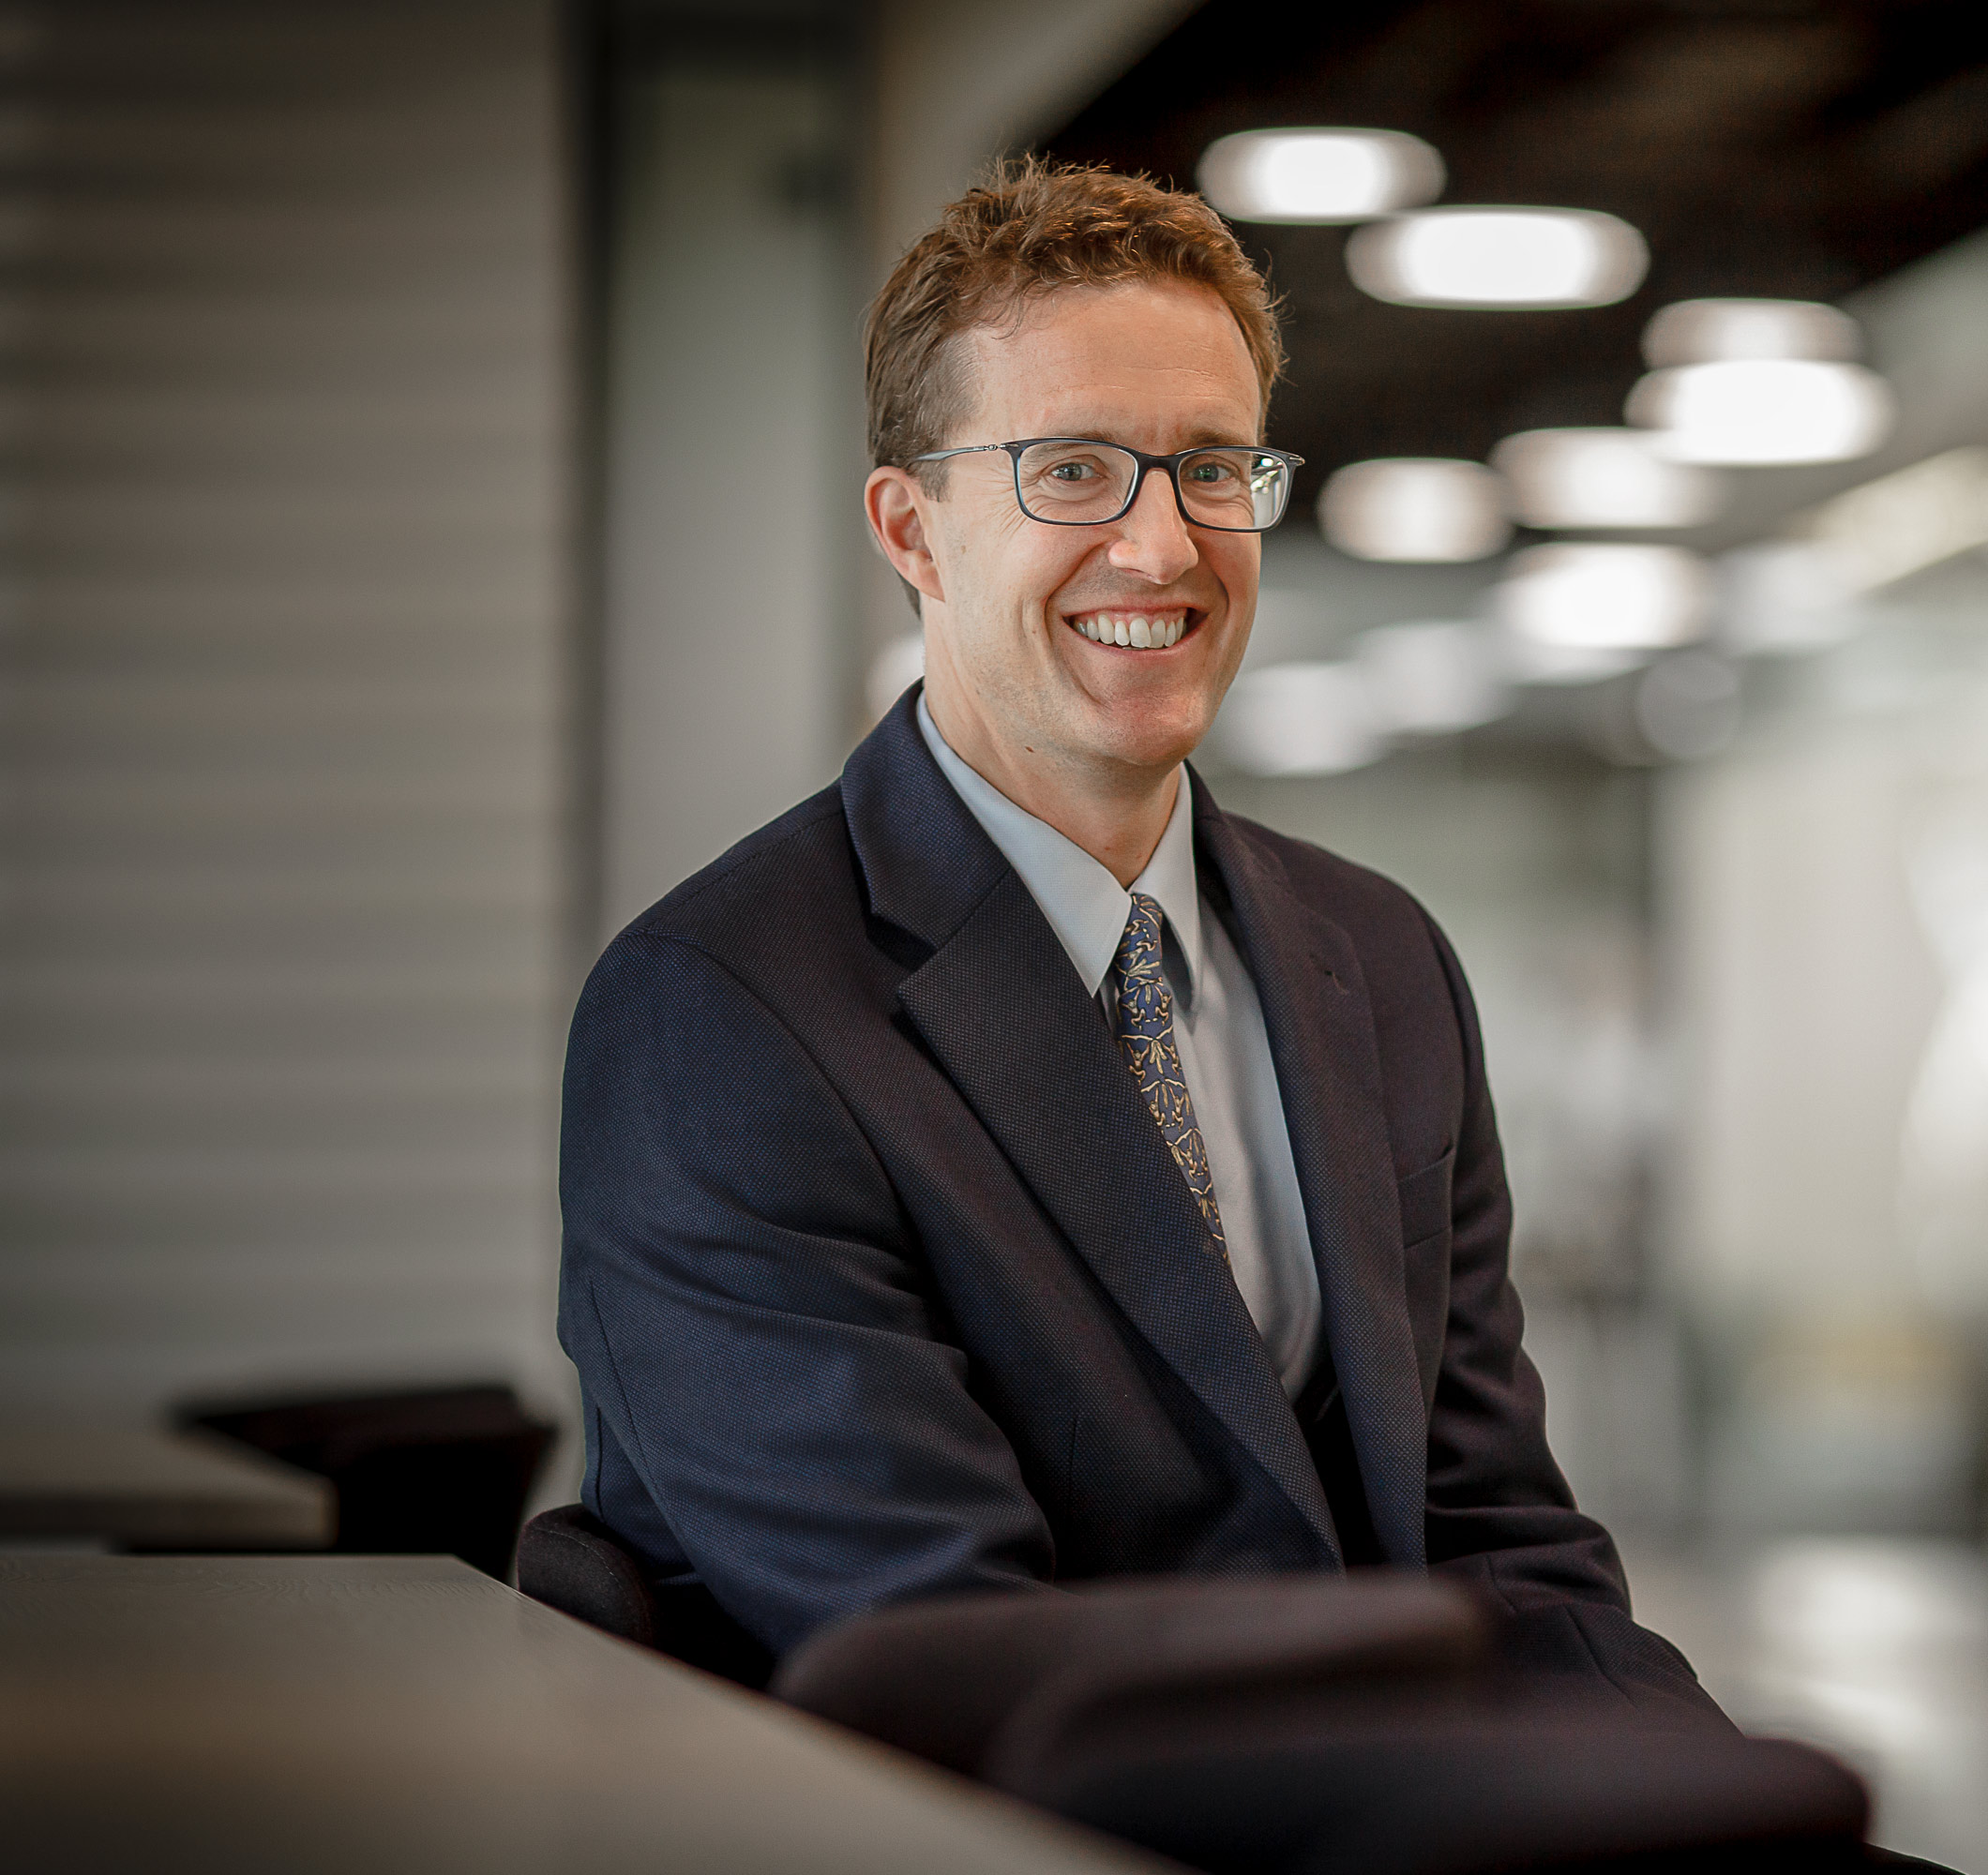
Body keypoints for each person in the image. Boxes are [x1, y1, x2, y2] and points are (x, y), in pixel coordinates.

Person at [556, 158, 1715, 1723]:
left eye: (1212, 468)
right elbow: (945, 1650)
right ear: (912, 528)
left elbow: (1494, 1535)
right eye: (1075, 471)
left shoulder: (1380, 964)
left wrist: (1687, 1799)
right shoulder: (723, 1017)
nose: (1165, 549)